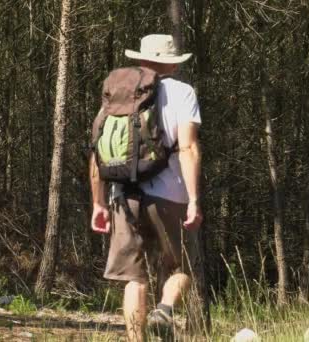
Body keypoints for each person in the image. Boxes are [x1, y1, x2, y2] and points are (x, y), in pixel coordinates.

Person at [89, 34, 203, 341]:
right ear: (173, 64)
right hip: (170, 194)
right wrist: (193, 200)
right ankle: (164, 310)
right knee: (179, 268)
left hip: (123, 195)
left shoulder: (120, 92)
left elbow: (98, 150)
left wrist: (98, 204)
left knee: (134, 279)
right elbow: (189, 148)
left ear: (141, 58)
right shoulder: (183, 93)